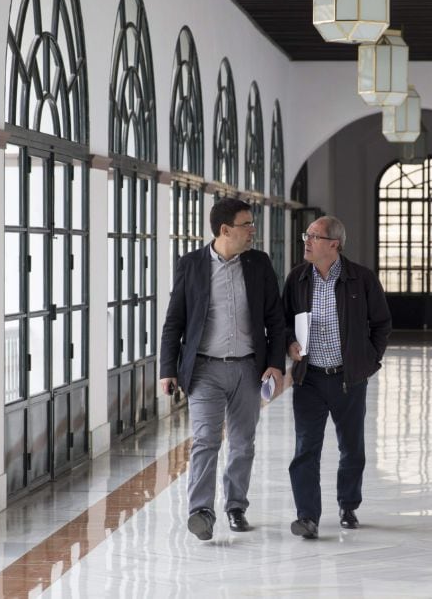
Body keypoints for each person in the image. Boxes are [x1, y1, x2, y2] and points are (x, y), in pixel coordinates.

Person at [159, 197, 285, 541]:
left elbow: (275, 319)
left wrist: (276, 365)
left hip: (248, 368)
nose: (253, 231)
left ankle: (235, 507)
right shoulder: (191, 264)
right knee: (205, 440)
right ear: (225, 229)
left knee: (243, 443)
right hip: (204, 370)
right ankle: (201, 510)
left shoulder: (259, 264)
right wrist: (166, 369)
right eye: (247, 225)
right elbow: (174, 321)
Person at [283, 215, 392, 539]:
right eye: (307, 235)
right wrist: (289, 342)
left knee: (352, 448)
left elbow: (382, 324)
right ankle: (307, 517)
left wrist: (368, 361)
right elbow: (283, 321)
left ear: (334, 244)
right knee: (305, 449)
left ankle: (348, 504)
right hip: (309, 380)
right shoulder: (297, 279)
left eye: (313, 236)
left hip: (349, 379)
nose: (306, 241)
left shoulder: (361, 279)